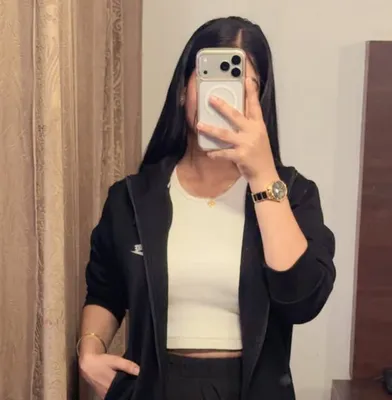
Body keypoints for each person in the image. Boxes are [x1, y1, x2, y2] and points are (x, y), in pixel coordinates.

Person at [78, 16, 336, 400]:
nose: (221, 99)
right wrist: (89, 352)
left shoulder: (291, 193)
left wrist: (262, 175)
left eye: (242, 84)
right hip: (152, 388)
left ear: (261, 101)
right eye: (207, 77)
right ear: (183, 91)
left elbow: (302, 300)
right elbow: (105, 290)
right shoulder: (132, 197)